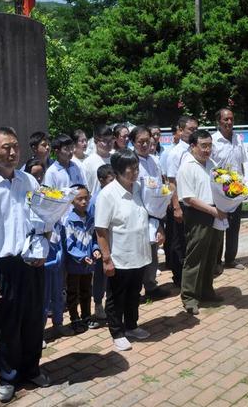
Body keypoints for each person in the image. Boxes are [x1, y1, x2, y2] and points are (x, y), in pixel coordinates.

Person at [0, 127, 51, 403]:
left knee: (34, 321)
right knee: (6, 327)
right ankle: (8, 376)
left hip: (31, 264)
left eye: (15, 146)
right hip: (1, 267)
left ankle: (31, 368)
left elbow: (42, 219)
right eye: (6, 147)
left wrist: (43, 247)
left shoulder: (28, 181)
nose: (13, 152)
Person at [95, 150, 163, 351]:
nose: (135, 172)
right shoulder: (108, 194)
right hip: (120, 256)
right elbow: (101, 230)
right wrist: (106, 259)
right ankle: (117, 332)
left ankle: (132, 326)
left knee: (135, 293)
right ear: (117, 171)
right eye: (130, 169)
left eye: (136, 167)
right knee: (117, 295)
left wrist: (159, 227)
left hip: (140, 253)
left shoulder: (140, 189)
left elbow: (151, 213)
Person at [176, 129, 227, 315]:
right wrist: (213, 210)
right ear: (193, 146)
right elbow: (188, 198)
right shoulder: (187, 166)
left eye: (209, 146)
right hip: (198, 215)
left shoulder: (211, 164)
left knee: (212, 254)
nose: (207, 150)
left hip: (215, 213)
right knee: (195, 256)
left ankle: (206, 290)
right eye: (203, 146)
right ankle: (189, 297)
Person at [130, 126, 169, 301]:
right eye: (141, 141)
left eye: (148, 141)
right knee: (138, 253)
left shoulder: (154, 160)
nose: (145, 144)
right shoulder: (130, 161)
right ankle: (135, 291)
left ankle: (151, 286)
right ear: (133, 142)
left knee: (152, 252)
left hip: (155, 213)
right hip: (136, 213)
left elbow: (161, 184)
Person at [211, 108, 248, 272]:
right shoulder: (213, 141)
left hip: (236, 190)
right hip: (219, 191)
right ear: (218, 121)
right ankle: (216, 261)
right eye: (225, 119)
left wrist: (245, 187)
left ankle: (231, 259)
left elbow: (242, 164)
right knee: (219, 227)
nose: (229, 122)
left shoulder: (238, 139)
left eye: (231, 119)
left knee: (234, 227)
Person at [165, 116, 199, 286]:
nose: (194, 132)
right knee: (178, 241)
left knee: (191, 239)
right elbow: (171, 182)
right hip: (181, 204)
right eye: (191, 129)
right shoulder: (176, 153)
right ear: (180, 130)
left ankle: (191, 274)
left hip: (195, 202)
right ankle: (178, 277)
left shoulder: (196, 150)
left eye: (196, 129)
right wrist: (176, 206)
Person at [64, 185, 100, 334]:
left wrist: (95, 250)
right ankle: (74, 318)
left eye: (86, 198)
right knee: (73, 292)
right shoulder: (69, 221)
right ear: (72, 201)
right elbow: (69, 245)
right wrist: (82, 257)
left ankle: (86, 316)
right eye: (80, 199)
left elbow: (93, 239)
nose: (84, 202)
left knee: (86, 290)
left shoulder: (91, 219)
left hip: (88, 264)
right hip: (75, 264)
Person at [88, 164, 115, 327]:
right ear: (101, 180)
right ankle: (98, 304)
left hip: (115, 240)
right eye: (111, 180)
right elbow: (93, 227)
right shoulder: (96, 200)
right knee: (100, 275)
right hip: (100, 242)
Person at [83, 124, 114, 195]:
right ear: (95, 141)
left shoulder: (116, 159)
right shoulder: (88, 163)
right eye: (105, 141)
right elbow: (87, 188)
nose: (109, 143)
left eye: (111, 139)